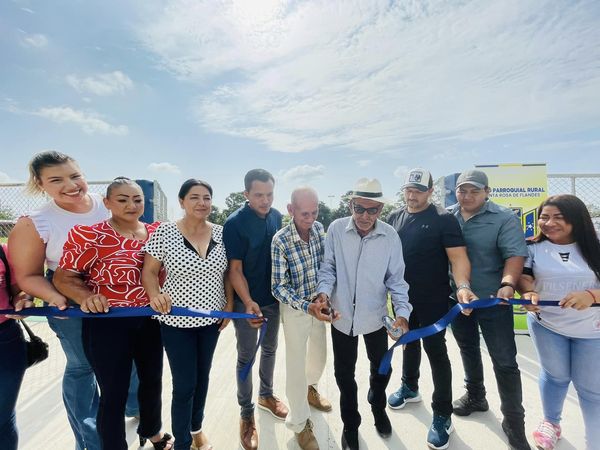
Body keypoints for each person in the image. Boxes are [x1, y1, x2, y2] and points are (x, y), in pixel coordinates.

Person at [52, 178, 172, 450]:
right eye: (122, 199)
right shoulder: (91, 235)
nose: (131, 205)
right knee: (114, 391)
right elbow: (63, 278)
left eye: (137, 199)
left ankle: (152, 431)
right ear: (107, 202)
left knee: (152, 381)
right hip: (108, 323)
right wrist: (87, 297)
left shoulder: (158, 233)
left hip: (150, 320)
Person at [8, 151, 108, 450]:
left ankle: (134, 409)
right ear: (40, 185)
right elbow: (28, 275)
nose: (70, 185)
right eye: (56, 180)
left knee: (126, 360)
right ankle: (90, 442)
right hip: (68, 294)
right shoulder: (35, 222)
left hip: (118, 291)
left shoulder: (110, 203)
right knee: (82, 366)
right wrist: (55, 297)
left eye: (75, 176)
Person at [316, 177, 412, 450]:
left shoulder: (390, 236)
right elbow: (328, 268)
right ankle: (351, 425)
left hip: (375, 318)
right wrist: (323, 293)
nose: (365, 216)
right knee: (344, 375)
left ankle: (378, 406)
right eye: (359, 208)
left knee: (382, 369)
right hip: (341, 317)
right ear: (351, 206)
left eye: (373, 210)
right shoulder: (336, 230)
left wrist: (402, 314)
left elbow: (396, 280)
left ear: (381, 209)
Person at [386, 168, 476, 450]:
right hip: (402, 299)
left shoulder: (443, 219)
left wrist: (463, 286)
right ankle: (410, 387)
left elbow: (458, 258)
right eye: (408, 190)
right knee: (407, 343)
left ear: (430, 192)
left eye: (418, 191)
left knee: (436, 353)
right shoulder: (394, 217)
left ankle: (442, 415)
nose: (412, 196)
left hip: (433, 298)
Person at [143, 179, 233, 450]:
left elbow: (227, 273)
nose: (201, 203)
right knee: (184, 385)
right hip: (176, 321)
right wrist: (155, 295)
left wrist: (228, 305)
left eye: (207, 197)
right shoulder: (165, 231)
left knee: (202, 379)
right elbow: (149, 272)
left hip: (211, 321)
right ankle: (182, 443)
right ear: (182, 201)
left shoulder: (222, 233)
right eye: (194, 197)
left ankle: (196, 430)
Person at [448, 169, 531, 450]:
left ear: (487, 192)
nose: (467, 196)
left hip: (494, 300)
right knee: (468, 349)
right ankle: (476, 396)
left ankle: (514, 422)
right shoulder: (448, 217)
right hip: (459, 301)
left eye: (475, 191)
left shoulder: (504, 217)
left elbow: (514, 255)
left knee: (504, 361)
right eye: (462, 190)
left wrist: (508, 283)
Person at [517, 194, 600, 450]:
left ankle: (595, 436)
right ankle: (551, 423)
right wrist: (527, 293)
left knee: (590, 388)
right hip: (547, 325)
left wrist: (592, 296)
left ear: (577, 219)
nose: (549, 223)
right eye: (544, 217)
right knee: (555, 376)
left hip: (592, 330)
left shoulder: (596, 245)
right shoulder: (531, 247)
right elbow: (524, 277)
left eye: (558, 217)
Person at [223, 168, 287, 450]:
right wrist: (248, 302)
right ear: (246, 194)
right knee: (246, 357)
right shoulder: (234, 223)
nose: (265, 200)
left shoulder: (276, 216)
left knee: (270, 349)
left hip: (272, 300)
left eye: (269, 194)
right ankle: (246, 413)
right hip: (246, 303)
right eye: (259, 195)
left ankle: (266, 395)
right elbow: (234, 270)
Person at [271, 187, 332, 450]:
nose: (310, 218)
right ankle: (299, 423)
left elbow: (325, 266)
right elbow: (278, 287)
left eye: (314, 212)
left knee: (319, 357)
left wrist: (324, 297)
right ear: (290, 210)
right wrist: (306, 306)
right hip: (296, 308)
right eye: (304, 213)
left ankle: (310, 389)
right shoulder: (280, 240)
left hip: (318, 303)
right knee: (296, 365)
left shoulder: (319, 229)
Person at [0, 244, 33, 450]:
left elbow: (19, 292)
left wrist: (23, 301)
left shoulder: (3, 252)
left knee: (2, 417)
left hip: (5, 340)